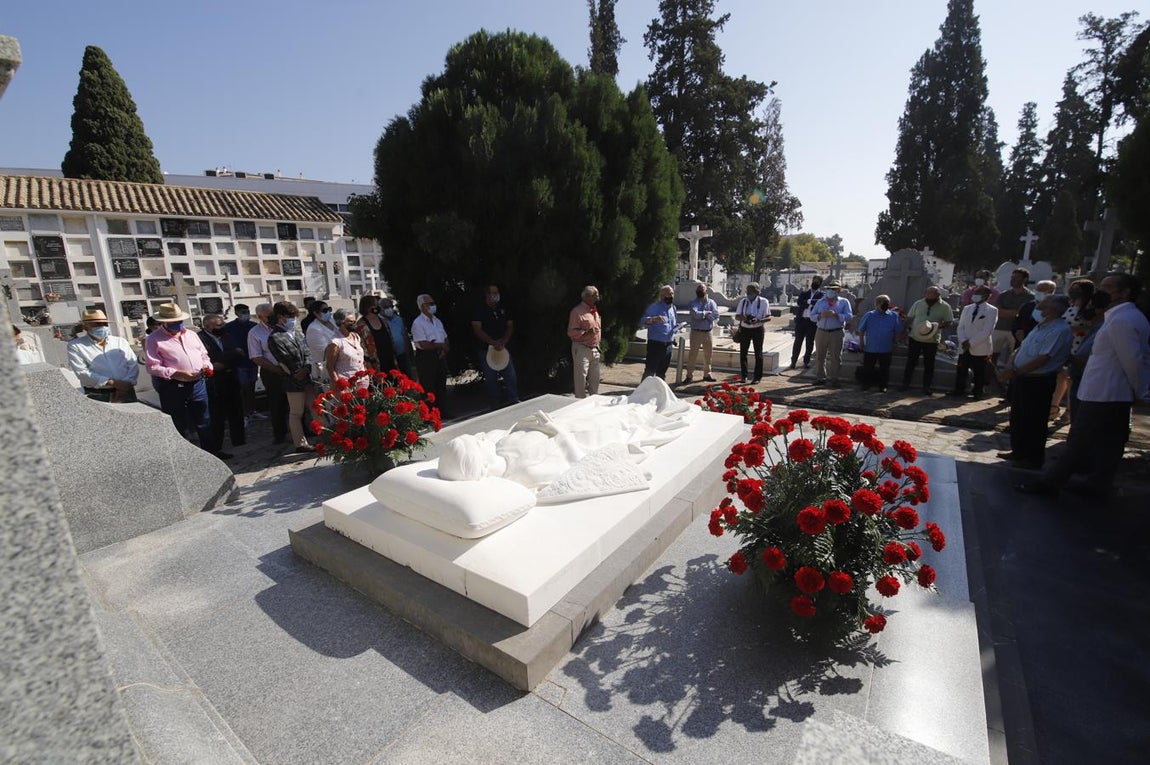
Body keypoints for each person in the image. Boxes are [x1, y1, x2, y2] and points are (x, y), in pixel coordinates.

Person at [1017, 274, 1149, 498]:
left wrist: (1140, 390)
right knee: (1110, 442)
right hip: (1107, 391)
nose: (1100, 292)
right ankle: (1098, 484)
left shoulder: (1122, 320)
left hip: (1105, 392)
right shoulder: (1119, 317)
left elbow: (1133, 361)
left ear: (1125, 292)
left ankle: (1050, 483)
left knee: (1079, 441)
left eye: (1108, 287)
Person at [995, 294, 1073, 471]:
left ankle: (1032, 458)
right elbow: (1022, 348)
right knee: (1019, 417)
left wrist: (1016, 371)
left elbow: (1043, 358)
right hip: (1022, 377)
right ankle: (1018, 451)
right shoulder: (1041, 325)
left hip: (1038, 380)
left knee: (1034, 420)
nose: (1039, 307)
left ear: (1052, 309)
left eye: (1043, 305)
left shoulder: (1059, 330)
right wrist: (1010, 365)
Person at [145, 303, 217, 455]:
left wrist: (206, 366)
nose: (177, 324)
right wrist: (177, 373)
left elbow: (203, 355)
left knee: (204, 420)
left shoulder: (191, 335)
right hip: (173, 386)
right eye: (173, 322)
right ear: (164, 322)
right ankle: (184, 458)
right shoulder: (154, 339)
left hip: (198, 383)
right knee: (179, 423)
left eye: (179, 320)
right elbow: (152, 366)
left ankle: (212, 454)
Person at [267, 301, 314, 453]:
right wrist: (297, 373)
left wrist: (306, 368)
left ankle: (326, 435)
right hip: (293, 380)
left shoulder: (297, 334)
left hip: (307, 376)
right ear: (280, 317)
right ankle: (300, 443)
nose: (293, 320)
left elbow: (307, 352)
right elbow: (283, 358)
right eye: (290, 317)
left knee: (315, 407)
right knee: (296, 412)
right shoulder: (275, 337)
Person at [66, 309, 139, 403]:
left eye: (105, 324)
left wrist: (125, 385)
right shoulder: (76, 346)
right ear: (85, 326)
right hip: (99, 394)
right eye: (97, 324)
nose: (102, 327)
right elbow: (82, 372)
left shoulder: (120, 341)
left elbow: (132, 363)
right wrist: (113, 383)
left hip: (127, 390)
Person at [197, 314, 245, 457]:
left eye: (223, 324)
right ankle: (217, 446)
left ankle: (239, 440)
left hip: (231, 377)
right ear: (207, 327)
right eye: (219, 325)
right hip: (214, 381)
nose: (222, 327)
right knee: (217, 415)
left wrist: (224, 362)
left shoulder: (226, 336)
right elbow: (206, 359)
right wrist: (223, 360)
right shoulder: (200, 339)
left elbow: (240, 353)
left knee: (236, 410)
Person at [247, 303, 289, 444]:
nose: (272, 318)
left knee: (295, 402)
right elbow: (256, 357)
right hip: (272, 371)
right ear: (260, 317)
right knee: (277, 403)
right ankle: (280, 434)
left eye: (273, 314)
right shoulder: (255, 333)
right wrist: (276, 369)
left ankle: (301, 429)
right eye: (268, 316)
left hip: (290, 369)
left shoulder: (283, 326)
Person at [472, 283, 519, 407]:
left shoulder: (503, 307)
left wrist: (504, 341)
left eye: (497, 293)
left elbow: (510, 326)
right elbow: (477, 329)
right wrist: (492, 342)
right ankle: (495, 403)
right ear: (487, 295)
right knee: (491, 377)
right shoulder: (479, 309)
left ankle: (513, 398)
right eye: (493, 293)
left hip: (503, 347)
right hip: (486, 348)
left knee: (510, 374)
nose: (496, 295)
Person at [900, 286, 954, 395]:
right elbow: (909, 318)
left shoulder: (945, 307)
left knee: (929, 365)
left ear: (937, 295)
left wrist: (937, 327)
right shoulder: (918, 304)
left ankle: (926, 387)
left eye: (932, 295)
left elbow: (949, 322)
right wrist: (903, 332)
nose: (929, 297)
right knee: (911, 362)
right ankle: (905, 384)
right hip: (915, 337)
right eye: (927, 294)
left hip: (932, 340)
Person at [951, 285, 999, 398]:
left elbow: (987, 330)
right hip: (964, 345)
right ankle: (959, 389)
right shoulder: (967, 308)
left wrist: (971, 343)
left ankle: (978, 391)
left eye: (978, 293)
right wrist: (963, 340)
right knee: (961, 369)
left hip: (980, 346)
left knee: (979, 371)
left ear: (986, 296)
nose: (975, 295)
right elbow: (960, 327)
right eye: (975, 293)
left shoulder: (992, 310)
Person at [855, 294, 901, 392]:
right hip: (871, 347)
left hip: (886, 347)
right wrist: (861, 342)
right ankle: (866, 384)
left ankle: (883, 385)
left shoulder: (893, 316)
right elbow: (861, 330)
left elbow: (897, 331)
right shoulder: (869, 315)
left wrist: (896, 342)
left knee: (884, 368)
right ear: (877, 304)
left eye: (887, 302)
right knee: (868, 367)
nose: (885, 304)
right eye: (883, 302)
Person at [810, 279, 852, 387]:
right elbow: (812, 316)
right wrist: (820, 315)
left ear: (838, 290)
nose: (831, 291)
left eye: (833, 289)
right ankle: (820, 378)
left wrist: (836, 315)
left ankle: (834, 379)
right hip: (821, 332)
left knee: (835, 357)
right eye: (829, 288)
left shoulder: (844, 302)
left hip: (836, 332)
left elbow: (849, 316)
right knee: (820, 356)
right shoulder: (820, 302)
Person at [412, 293, 449, 411]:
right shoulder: (418, 323)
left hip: (440, 355)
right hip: (426, 357)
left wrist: (444, 348)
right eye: (430, 304)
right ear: (423, 306)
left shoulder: (437, 321)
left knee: (441, 383)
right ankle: (430, 413)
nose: (433, 306)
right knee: (428, 386)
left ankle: (443, 410)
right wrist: (440, 345)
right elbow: (423, 344)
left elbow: (445, 337)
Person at [991, 268, 1033, 370]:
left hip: (1017, 330)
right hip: (999, 328)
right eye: (1012, 277)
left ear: (1025, 279)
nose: (1013, 279)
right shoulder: (1003, 295)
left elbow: (1025, 314)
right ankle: (990, 376)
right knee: (991, 356)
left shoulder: (1030, 297)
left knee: (1015, 357)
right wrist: (1016, 312)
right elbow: (998, 312)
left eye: (1017, 277)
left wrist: (1008, 312)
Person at [223, 303, 259, 420]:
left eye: (247, 312)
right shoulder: (229, 327)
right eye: (243, 312)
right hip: (238, 363)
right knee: (241, 388)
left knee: (251, 386)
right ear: (237, 313)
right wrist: (234, 349)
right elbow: (225, 342)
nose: (246, 314)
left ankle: (252, 410)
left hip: (252, 360)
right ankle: (243, 413)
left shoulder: (254, 326)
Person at [567, 285, 602, 398]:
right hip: (582, 348)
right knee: (580, 379)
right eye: (595, 296)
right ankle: (579, 402)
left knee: (595, 379)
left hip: (595, 349)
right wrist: (587, 332)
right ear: (587, 297)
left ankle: (593, 402)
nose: (597, 298)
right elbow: (571, 332)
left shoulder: (594, 311)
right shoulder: (577, 312)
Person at [734, 282, 771, 384]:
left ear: (757, 292)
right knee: (743, 353)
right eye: (747, 292)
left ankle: (757, 377)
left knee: (758, 353)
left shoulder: (764, 302)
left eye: (751, 292)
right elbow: (737, 316)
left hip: (758, 329)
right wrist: (745, 318)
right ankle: (744, 376)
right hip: (745, 329)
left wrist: (758, 320)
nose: (748, 294)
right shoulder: (743, 302)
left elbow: (768, 317)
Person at [641, 285, 677, 381]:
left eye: (672, 293)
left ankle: (659, 390)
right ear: (662, 296)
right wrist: (654, 319)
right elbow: (643, 320)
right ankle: (644, 389)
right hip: (656, 345)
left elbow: (672, 324)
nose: (671, 296)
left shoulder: (673, 308)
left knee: (662, 373)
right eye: (668, 294)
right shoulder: (654, 307)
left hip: (668, 345)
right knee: (649, 372)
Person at [685, 283, 718, 383]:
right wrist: (706, 313)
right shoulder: (693, 303)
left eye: (701, 290)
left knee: (708, 355)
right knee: (692, 355)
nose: (699, 292)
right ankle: (689, 375)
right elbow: (695, 314)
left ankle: (707, 374)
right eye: (698, 290)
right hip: (696, 332)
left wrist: (704, 315)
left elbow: (715, 315)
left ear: (706, 291)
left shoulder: (712, 302)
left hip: (708, 332)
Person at [357, 294, 398, 373]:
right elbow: (363, 348)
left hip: (390, 361)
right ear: (368, 307)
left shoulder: (383, 321)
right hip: (375, 365)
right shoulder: (361, 326)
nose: (378, 307)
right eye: (375, 305)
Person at [790, 276, 823, 370]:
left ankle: (806, 361)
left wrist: (808, 301)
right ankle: (793, 361)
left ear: (820, 283)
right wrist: (810, 302)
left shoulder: (821, 295)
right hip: (801, 321)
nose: (815, 283)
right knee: (798, 341)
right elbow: (800, 302)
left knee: (809, 342)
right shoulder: (804, 293)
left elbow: (819, 303)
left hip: (812, 322)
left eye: (817, 282)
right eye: (814, 281)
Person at [325, 310, 366, 382]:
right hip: (346, 381)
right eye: (350, 322)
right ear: (341, 322)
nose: (354, 324)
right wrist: (337, 382)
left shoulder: (356, 336)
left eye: (354, 321)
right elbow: (330, 366)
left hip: (362, 379)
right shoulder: (335, 342)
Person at [304, 301, 340, 382]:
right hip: (325, 371)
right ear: (316, 313)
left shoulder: (333, 321)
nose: (328, 312)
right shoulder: (314, 329)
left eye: (329, 309)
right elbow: (325, 351)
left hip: (340, 367)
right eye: (325, 310)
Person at [382, 296, 411, 375]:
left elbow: (405, 336)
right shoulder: (380, 321)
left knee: (406, 374)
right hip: (389, 356)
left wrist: (408, 352)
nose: (389, 309)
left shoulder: (399, 319)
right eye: (386, 307)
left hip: (402, 354)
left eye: (391, 306)